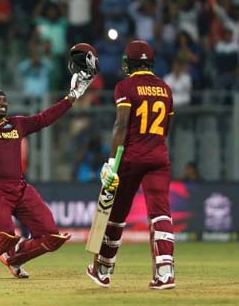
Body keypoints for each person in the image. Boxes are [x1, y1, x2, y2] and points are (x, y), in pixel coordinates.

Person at [0, 53, 96, 280]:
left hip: (20, 187)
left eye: (4, 99)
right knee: (5, 235)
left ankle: (14, 261)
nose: (3, 103)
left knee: (52, 237)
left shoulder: (17, 124)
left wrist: (71, 97)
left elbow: (45, 118)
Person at [86, 40, 176, 290]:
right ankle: (166, 273)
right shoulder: (166, 88)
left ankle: (102, 270)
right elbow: (166, 128)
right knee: (161, 214)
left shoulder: (125, 86)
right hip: (159, 157)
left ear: (130, 63)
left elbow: (121, 126)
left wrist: (112, 161)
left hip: (132, 158)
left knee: (115, 213)